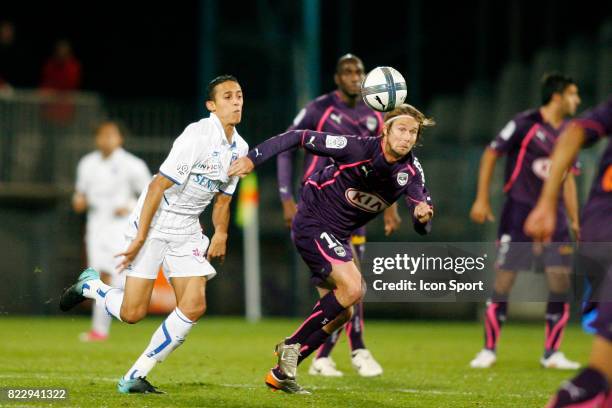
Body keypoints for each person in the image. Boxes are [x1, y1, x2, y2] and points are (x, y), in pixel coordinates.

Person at [59, 75, 248, 393]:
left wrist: (221, 233)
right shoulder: (197, 137)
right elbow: (157, 186)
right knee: (133, 313)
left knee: (195, 304)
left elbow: (224, 198)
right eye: (227, 96)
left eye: (239, 95)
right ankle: (91, 286)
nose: (236, 101)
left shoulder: (240, 148)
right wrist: (139, 237)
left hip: (187, 228)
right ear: (211, 106)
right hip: (156, 222)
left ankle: (134, 375)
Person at [229, 103, 435, 394]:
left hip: (338, 236)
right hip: (312, 220)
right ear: (386, 130)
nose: (407, 137)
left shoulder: (411, 172)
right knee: (353, 289)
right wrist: (253, 158)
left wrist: (422, 216)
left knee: (343, 313)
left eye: (413, 132)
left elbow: (422, 222)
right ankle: (290, 345)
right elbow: (298, 137)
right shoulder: (356, 148)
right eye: (401, 129)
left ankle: (281, 374)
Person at [277, 53, 400, 377]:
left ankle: (315, 358)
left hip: (351, 207)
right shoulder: (319, 108)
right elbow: (289, 145)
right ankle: (354, 349)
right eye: (347, 71)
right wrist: (286, 197)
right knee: (351, 287)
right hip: (319, 201)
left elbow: (386, 167)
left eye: (359, 70)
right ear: (336, 78)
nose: (354, 76)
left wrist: (391, 207)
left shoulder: (375, 113)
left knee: (345, 294)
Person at [468, 73, 581, 370]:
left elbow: (569, 179)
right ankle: (488, 349)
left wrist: (574, 220)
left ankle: (552, 352)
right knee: (504, 280)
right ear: (557, 96)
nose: (577, 100)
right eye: (573, 94)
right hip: (519, 212)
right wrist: (482, 198)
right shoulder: (524, 123)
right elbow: (492, 153)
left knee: (560, 280)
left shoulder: (571, 132)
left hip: (554, 217)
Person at [524, 96, 612, 407]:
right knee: (601, 377)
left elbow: (574, 131)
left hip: (599, 230)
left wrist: (547, 202)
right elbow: (574, 132)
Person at [73, 121, 151, 342]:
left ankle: (119, 319)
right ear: (96, 139)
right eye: (102, 135)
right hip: (96, 225)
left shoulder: (132, 164)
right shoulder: (87, 163)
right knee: (98, 275)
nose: (106, 139)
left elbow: (150, 194)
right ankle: (101, 328)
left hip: (122, 226)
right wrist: (78, 200)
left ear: (120, 138)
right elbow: (80, 194)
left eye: (111, 135)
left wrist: (128, 205)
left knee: (116, 275)